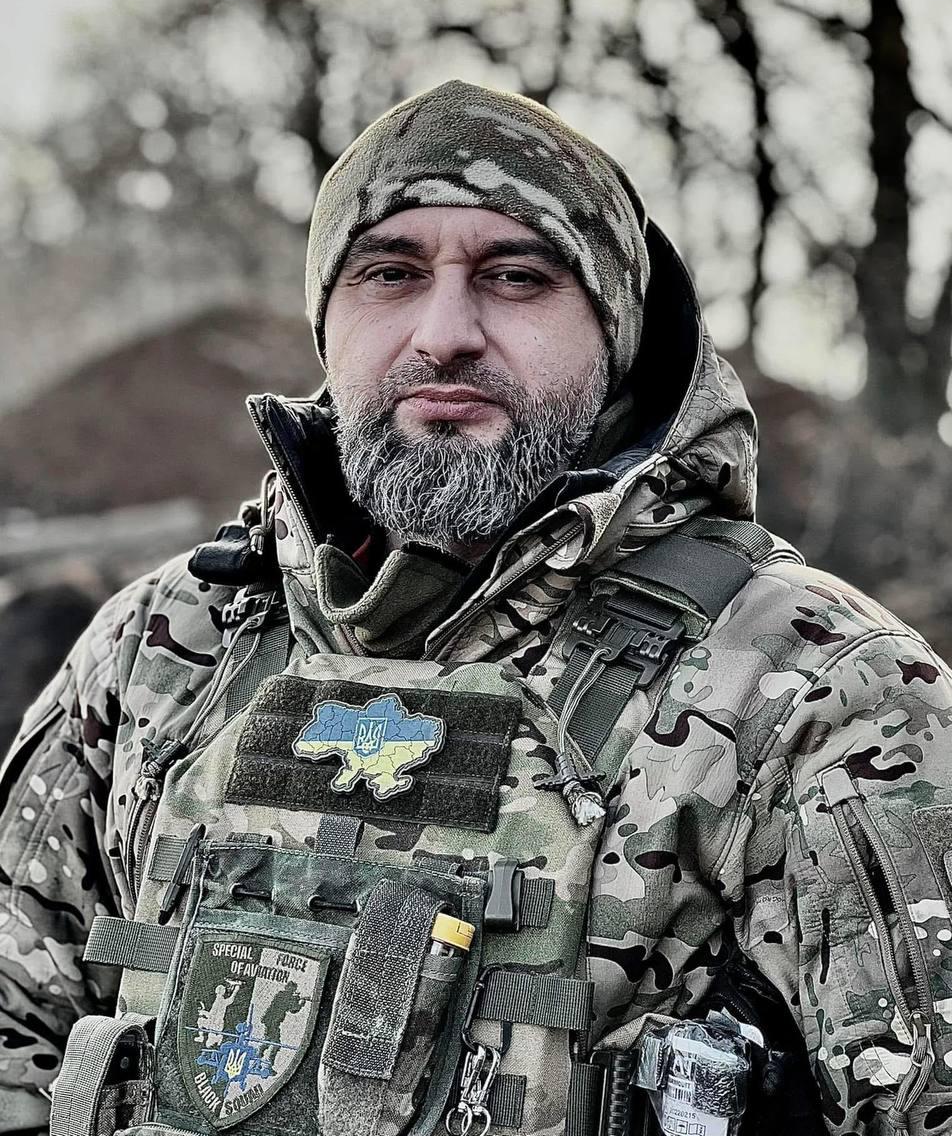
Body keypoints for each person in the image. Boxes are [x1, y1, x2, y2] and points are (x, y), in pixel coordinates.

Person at [0, 78, 950, 1136]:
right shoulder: (165, 647)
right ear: (328, 324)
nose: (445, 332)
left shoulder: (823, 694)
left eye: (516, 276)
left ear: (616, 333)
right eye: (390, 272)